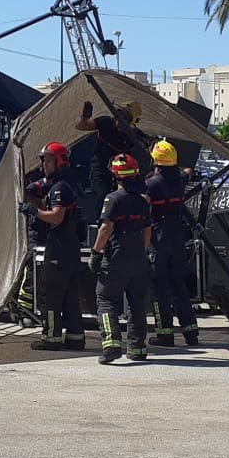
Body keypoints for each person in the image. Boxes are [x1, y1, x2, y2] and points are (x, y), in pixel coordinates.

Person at [22, 141, 85, 352]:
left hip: (59, 245)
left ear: (59, 162)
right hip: (70, 246)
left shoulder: (59, 188)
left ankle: (51, 337)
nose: (43, 165)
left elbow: (57, 217)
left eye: (48, 160)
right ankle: (76, 336)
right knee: (69, 295)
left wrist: (34, 212)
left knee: (51, 294)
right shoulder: (64, 184)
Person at [93, 153, 153, 364]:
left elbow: (106, 228)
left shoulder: (112, 199)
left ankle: (111, 345)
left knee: (106, 299)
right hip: (138, 256)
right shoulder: (142, 201)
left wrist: (96, 253)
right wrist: (141, 252)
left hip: (116, 256)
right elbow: (147, 231)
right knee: (136, 304)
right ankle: (137, 348)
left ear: (116, 176)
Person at [145, 138, 199, 347]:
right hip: (177, 235)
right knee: (179, 286)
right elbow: (187, 172)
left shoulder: (151, 184)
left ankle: (165, 334)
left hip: (159, 236)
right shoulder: (180, 179)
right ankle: (191, 332)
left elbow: (144, 206)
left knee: (160, 288)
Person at [76, 99, 150, 199]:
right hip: (101, 168)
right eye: (119, 113)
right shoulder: (105, 122)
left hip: (121, 171)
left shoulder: (133, 134)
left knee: (125, 196)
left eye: (125, 117)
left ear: (131, 121)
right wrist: (85, 117)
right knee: (102, 196)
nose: (120, 119)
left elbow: (147, 145)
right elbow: (81, 126)